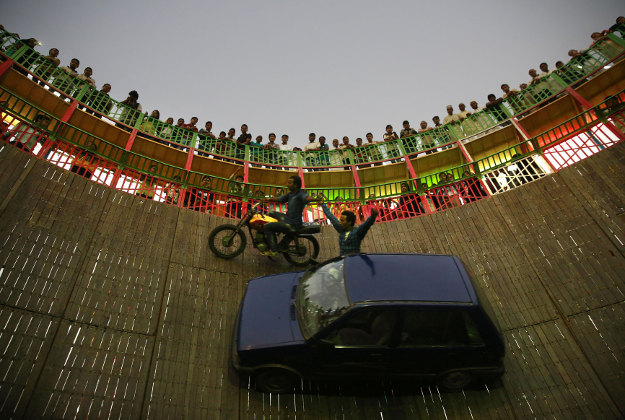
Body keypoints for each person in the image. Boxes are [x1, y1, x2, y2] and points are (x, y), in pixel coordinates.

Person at [261, 175, 321, 257]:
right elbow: (280, 199)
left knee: (267, 227)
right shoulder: (291, 194)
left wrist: (315, 199)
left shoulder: (301, 194)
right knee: (271, 213)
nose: (287, 184)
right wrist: (268, 199)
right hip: (287, 218)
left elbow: (307, 198)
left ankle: (273, 250)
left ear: (295, 185)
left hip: (293, 224)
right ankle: (272, 237)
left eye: (289, 183)